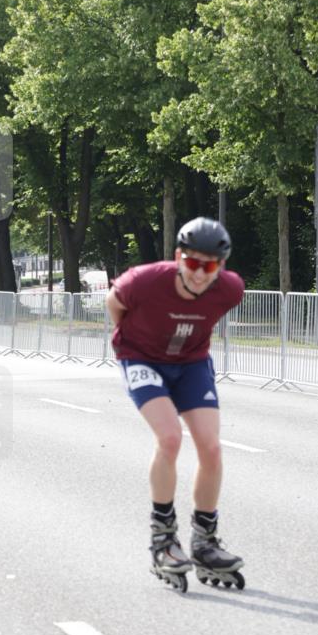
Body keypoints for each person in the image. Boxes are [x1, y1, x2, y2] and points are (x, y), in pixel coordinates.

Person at [106, 216, 245, 584]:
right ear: (178, 257)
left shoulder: (230, 290)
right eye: (193, 263)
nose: (200, 274)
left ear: (222, 267)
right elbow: (114, 305)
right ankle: (163, 538)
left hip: (190, 363)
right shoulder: (145, 280)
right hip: (142, 358)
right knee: (169, 438)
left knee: (211, 448)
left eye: (210, 266)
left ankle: (204, 541)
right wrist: (133, 343)